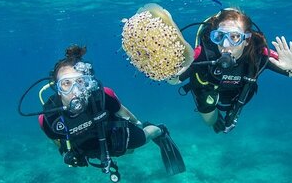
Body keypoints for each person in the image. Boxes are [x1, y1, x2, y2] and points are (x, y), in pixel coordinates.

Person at [38, 45, 185, 182]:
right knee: (128, 152)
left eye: (80, 82)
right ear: (57, 88)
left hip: (111, 134)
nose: (75, 90)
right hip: (87, 146)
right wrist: (66, 152)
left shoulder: (100, 96)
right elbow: (56, 138)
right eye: (66, 83)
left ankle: (160, 130)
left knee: (139, 142)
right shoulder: (49, 117)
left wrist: (138, 124)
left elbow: (121, 110)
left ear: (88, 83)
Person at [167, 8, 292, 133]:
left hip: (238, 94)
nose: (225, 45)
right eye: (219, 37)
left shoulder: (258, 54)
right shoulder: (204, 52)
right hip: (207, 89)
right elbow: (175, 80)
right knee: (210, 122)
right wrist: (170, 71)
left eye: (234, 37)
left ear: (246, 40)